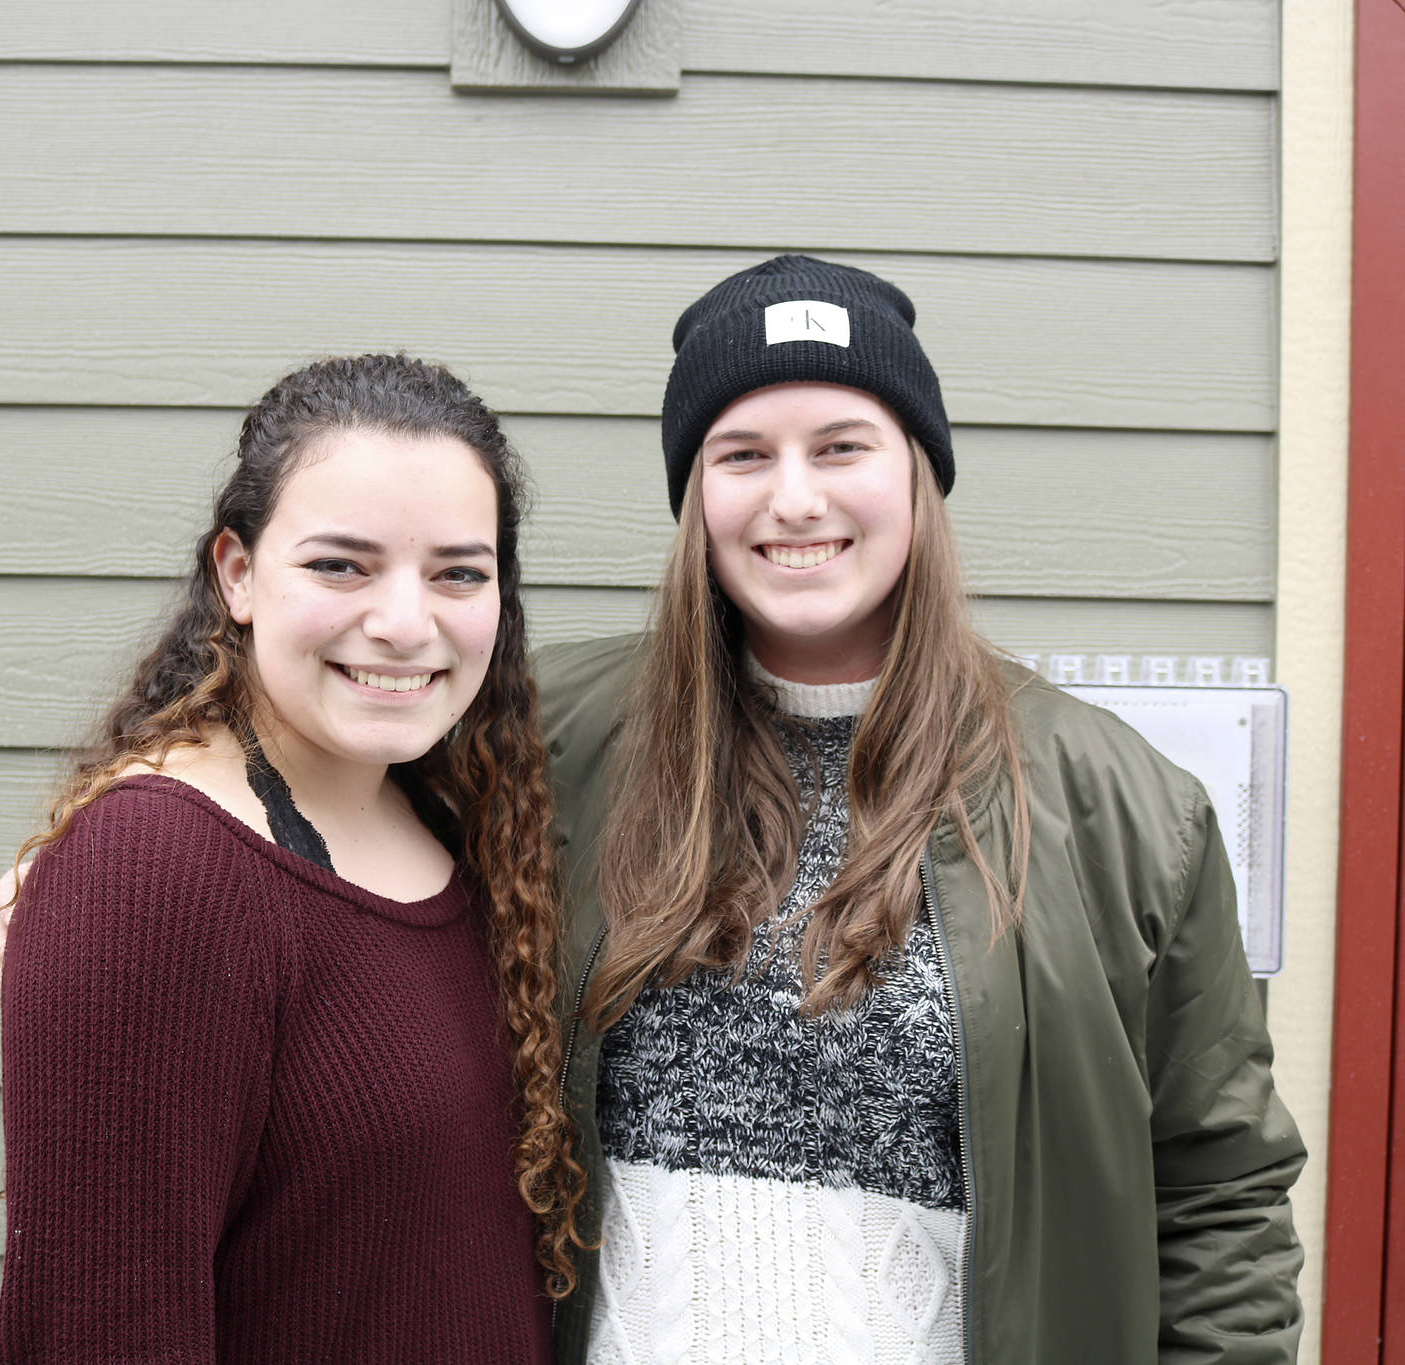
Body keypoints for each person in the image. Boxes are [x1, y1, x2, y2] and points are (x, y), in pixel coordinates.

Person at [534, 255, 1306, 1363]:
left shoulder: (1121, 809)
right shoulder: (545, 738)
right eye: (741, 454)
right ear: (692, 493)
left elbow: (1217, 1191)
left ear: (917, 476)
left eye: (841, 446)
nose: (792, 497)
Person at [0, 354, 584, 1363]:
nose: (403, 624)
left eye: (458, 573)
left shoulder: (446, 821)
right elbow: (100, 1329)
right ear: (237, 573)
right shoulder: (155, 869)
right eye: (339, 565)